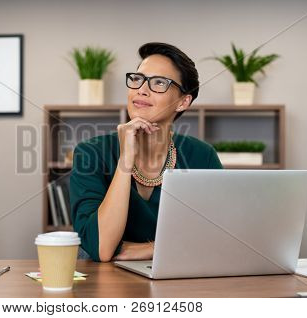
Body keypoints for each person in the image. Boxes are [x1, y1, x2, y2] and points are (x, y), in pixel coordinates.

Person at [70, 42, 223, 262]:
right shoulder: (91, 153)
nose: (141, 89)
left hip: (177, 277)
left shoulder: (202, 155)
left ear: (183, 102)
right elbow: (102, 247)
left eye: (159, 82)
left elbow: (219, 236)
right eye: (137, 79)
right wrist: (126, 158)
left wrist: (149, 249)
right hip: (106, 284)